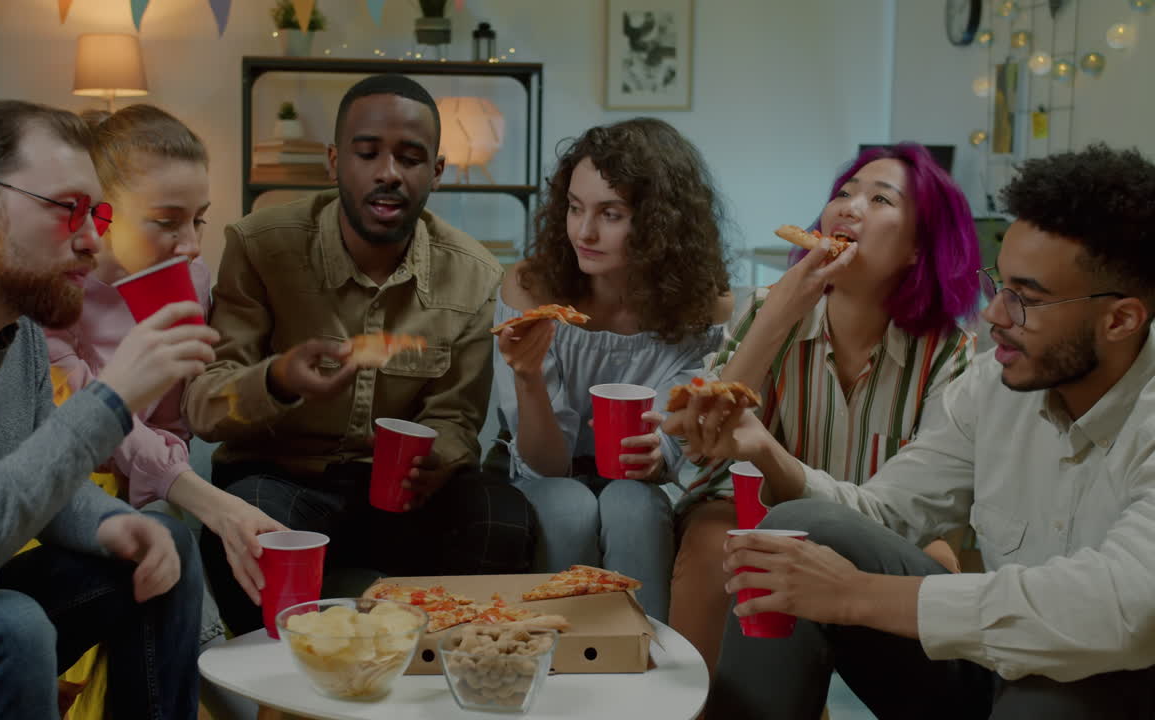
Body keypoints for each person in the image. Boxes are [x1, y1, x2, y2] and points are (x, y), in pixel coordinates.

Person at [666, 143, 1155, 719]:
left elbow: (1122, 611)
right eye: (999, 284)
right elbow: (886, 513)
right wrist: (767, 452)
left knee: (1048, 702)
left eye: (1028, 299)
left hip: (1109, 680)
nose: (995, 313)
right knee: (803, 527)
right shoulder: (992, 388)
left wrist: (856, 595)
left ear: (1120, 319)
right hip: (988, 667)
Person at [0, 99, 218, 719]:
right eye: (68, 209)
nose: (92, 238)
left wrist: (110, 524)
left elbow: (44, 482)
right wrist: (111, 399)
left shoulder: (19, 325)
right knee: (10, 626)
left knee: (160, 543)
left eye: (99, 212)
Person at [184, 74, 535, 636]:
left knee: (502, 515)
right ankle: (282, 687)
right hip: (282, 479)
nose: (388, 173)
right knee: (253, 522)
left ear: (436, 172)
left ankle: (450, 671)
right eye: (367, 153)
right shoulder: (259, 246)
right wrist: (275, 378)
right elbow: (203, 408)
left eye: (410, 157)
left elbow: (457, 418)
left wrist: (435, 460)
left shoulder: (472, 273)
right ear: (333, 162)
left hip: (405, 498)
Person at [668, 142, 980, 672]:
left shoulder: (949, 351)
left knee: (938, 561)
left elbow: (925, 506)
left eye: (880, 200)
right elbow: (701, 446)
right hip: (761, 512)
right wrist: (779, 315)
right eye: (844, 193)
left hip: (885, 524)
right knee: (713, 536)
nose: (848, 207)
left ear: (917, 249)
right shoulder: (770, 308)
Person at [489, 117, 732, 622]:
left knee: (632, 502)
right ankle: (562, 659)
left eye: (611, 213)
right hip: (546, 475)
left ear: (661, 224)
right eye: (574, 209)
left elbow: (673, 451)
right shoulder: (532, 290)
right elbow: (546, 465)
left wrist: (658, 450)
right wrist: (528, 376)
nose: (584, 231)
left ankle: (649, 666)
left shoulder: (701, 308)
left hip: (643, 485)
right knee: (568, 503)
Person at [45, 104, 286, 610]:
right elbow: (85, 418)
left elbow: (175, 426)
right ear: (99, 212)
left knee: (171, 554)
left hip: (151, 493)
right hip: (52, 496)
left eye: (199, 220)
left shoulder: (190, 282)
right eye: (167, 222)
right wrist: (211, 502)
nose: (193, 246)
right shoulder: (49, 287)